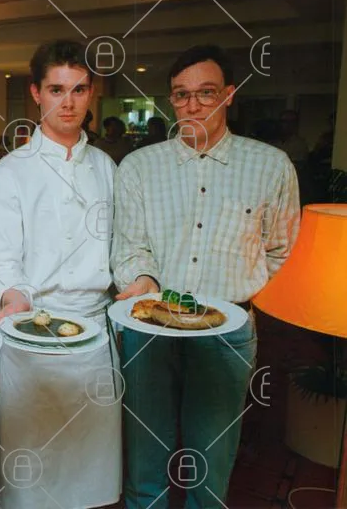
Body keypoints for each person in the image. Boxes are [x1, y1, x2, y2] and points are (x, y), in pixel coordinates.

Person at [111, 44, 300, 508]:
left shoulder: (271, 165)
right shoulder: (139, 167)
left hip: (226, 334)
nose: (193, 105)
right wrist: (145, 281)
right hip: (150, 329)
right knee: (145, 462)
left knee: (210, 468)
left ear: (229, 95)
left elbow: (282, 249)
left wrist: (244, 299)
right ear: (171, 100)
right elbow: (130, 245)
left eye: (206, 93)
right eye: (181, 95)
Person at [0, 40, 121, 509]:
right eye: (57, 90)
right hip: (31, 334)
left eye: (79, 90)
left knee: (90, 472)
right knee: (32, 479)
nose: (69, 102)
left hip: (95, 336)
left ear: (91, 93)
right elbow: (1, 261)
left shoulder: (107, 168)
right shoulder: (8, 173)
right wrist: (14, 299)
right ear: (36, 93)